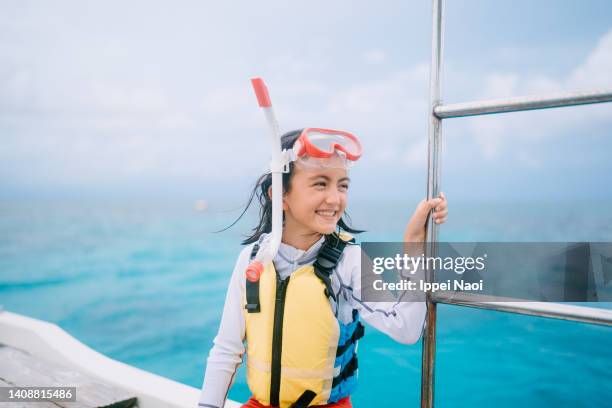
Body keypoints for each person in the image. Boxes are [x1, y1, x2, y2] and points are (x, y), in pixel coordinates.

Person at [198, 128, 448, 408]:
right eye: (320, 184)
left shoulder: (348, 261)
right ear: (280, 195)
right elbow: (227, 349)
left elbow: (406, 328)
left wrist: (414, 243)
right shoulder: (252, 261)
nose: (334, 198)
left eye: (343, 185)